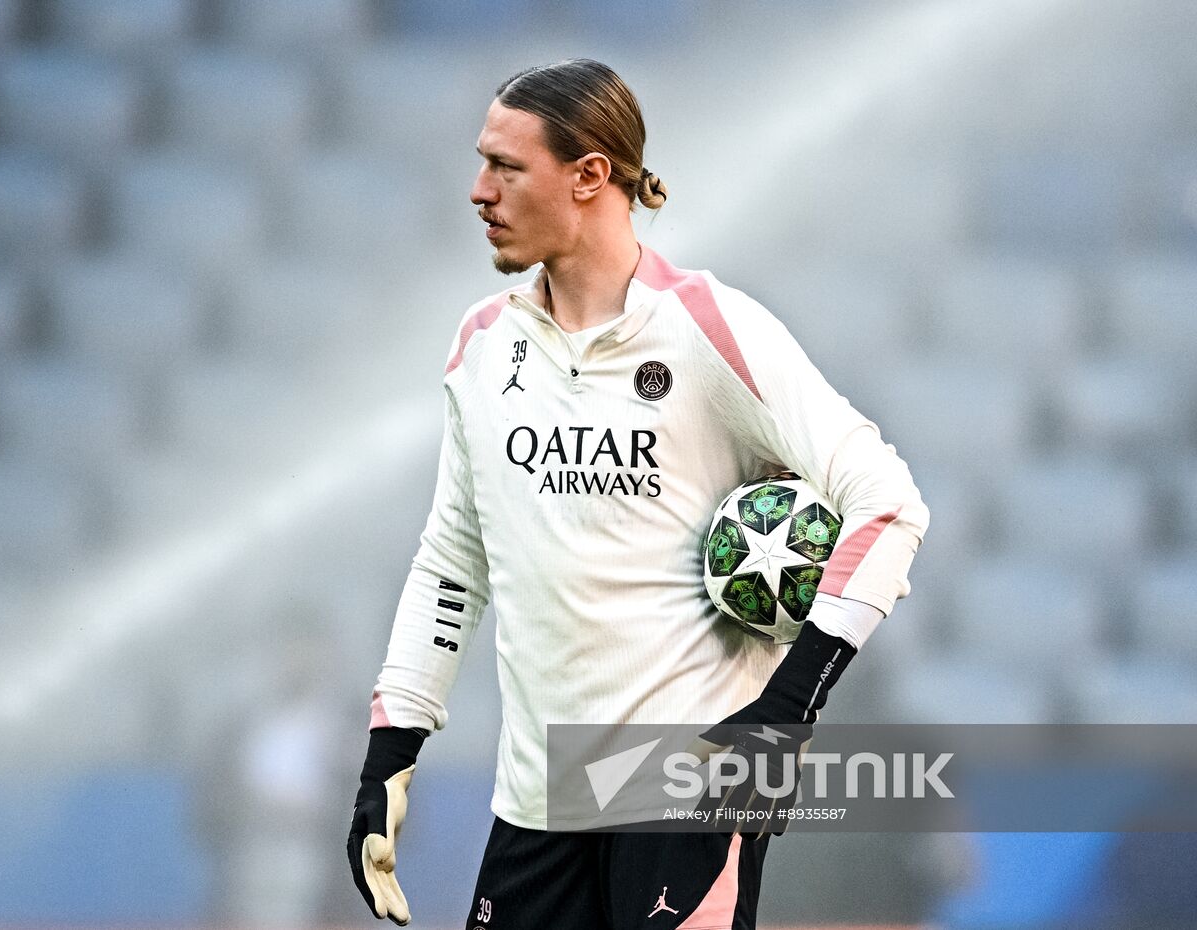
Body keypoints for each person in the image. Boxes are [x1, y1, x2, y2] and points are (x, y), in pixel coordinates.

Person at [347, 59, 929, 930]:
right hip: (539, 796)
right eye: (482, 163)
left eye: (506, 166)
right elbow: (452, 561)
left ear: (589, 176)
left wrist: (782, 714)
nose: (479, 190)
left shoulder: (708, 327)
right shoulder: (481, 345)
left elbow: (887, 505)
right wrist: (389, 753)